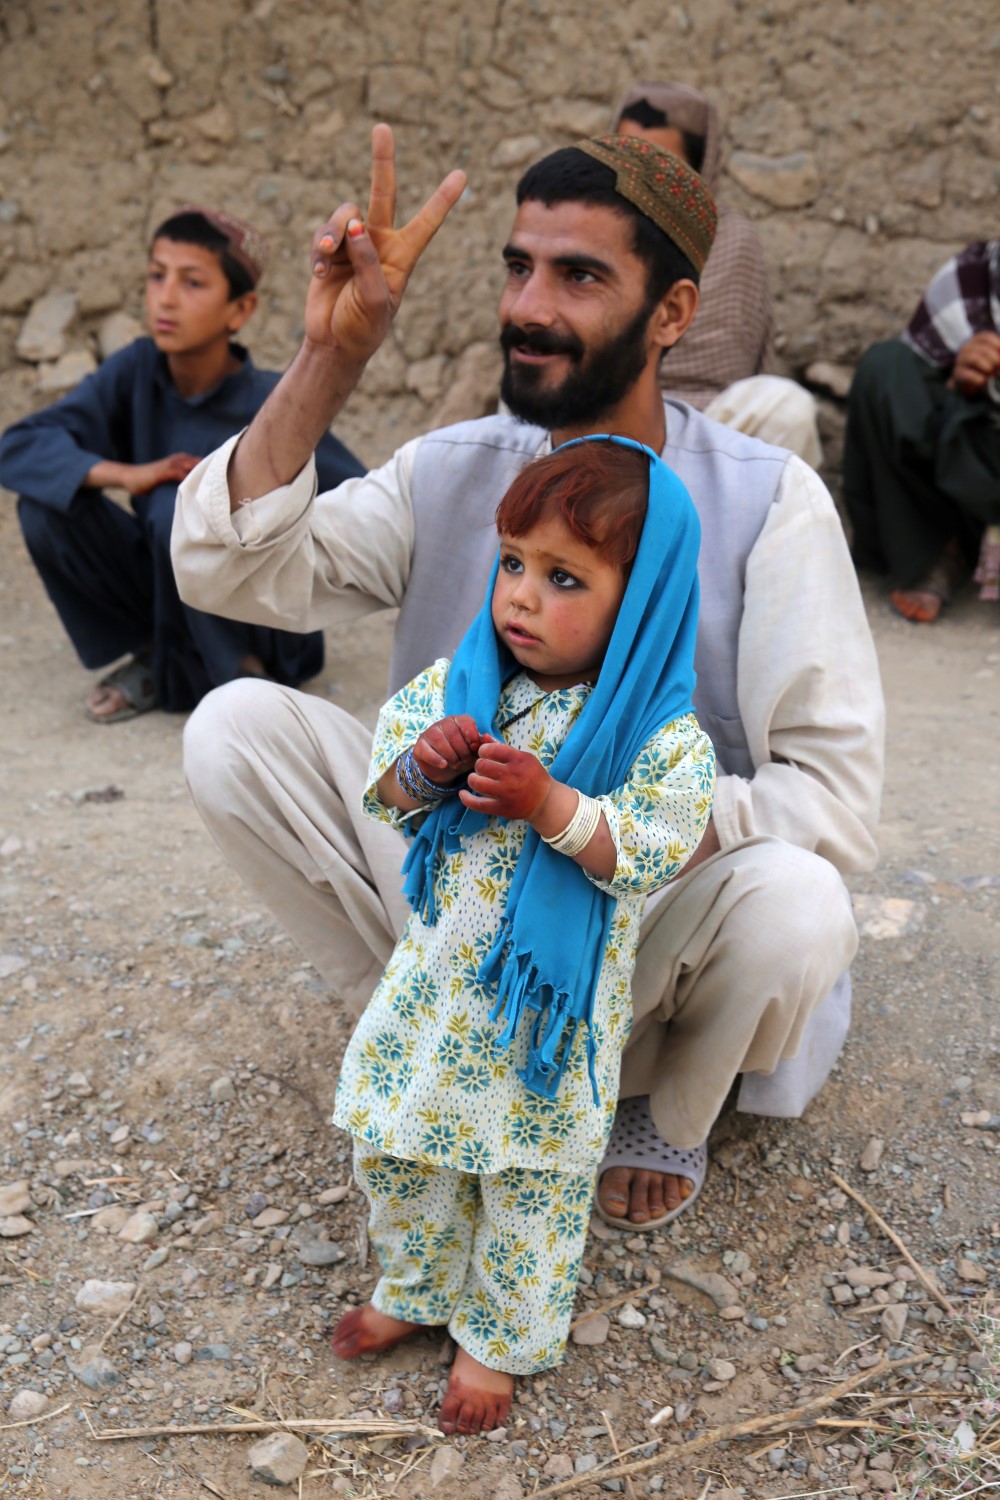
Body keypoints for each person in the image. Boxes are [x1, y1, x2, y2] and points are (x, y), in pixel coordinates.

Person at [172, 126, 884, 1233]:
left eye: (579, 275)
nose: (530, 306)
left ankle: (655, 1110)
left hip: (638, 915)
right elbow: (230, 567)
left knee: (801, 900)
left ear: (673, 314)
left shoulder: (765, 499)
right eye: (518, 266)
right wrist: (330, 359)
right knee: (233, 728)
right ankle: (443, 1027)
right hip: (454, 882)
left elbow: (829, 798)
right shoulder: (455, 467)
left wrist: (585, 821)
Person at [331, 437, 715, 1433]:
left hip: (544, 1025)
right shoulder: (463, 686)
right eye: (510, 563)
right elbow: (389, 799)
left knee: (528, 1192)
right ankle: (414, 1288)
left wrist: (550, 803)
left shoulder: (659, 739)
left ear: (641, 601)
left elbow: (654, 847)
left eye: (563, 577)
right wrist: (424, 765)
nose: (521, 598)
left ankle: (495, 1339)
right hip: (434, 994)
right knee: (399, 1150)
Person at [0, 207, 364, 721]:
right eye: (156, 276)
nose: (165, 297)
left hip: (263, 623)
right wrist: (129, 474)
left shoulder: (276, 404)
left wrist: (265, 532)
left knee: (178, 508)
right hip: (172, 603)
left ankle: (244, 681)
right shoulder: (136, 372)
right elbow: (19, 447)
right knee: (48, 507)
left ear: (239, 311)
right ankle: (159, 658)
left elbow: (363, 500)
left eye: (192, 283)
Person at [612, 81, 823, 467]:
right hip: (605, 404)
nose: (640, 180)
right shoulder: (590, 231)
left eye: (659, 165)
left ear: (698, 170)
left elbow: (728, 366)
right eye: (627, 160)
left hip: (706, 419)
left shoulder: (729, 237)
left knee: (786, 408)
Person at [842, 239, 1000, 622]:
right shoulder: (975, 275)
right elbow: (923, 401)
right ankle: (935, 553)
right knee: (886, 368)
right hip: (979, 457)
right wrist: (962, 379)